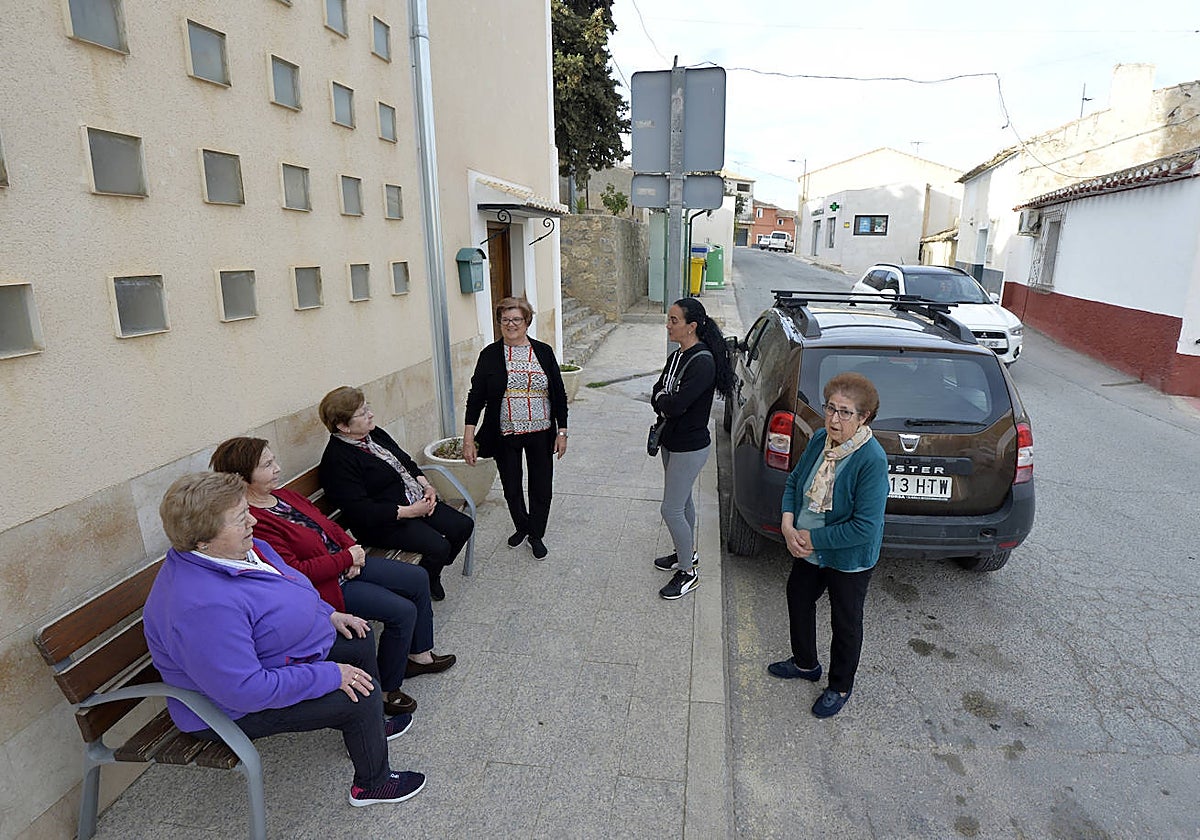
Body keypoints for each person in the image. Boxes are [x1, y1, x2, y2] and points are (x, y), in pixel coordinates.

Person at [144, 472, 425, 807]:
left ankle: (371, 728)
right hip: (228, 706)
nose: (252, 520)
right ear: (203, 541)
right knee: (358, 696)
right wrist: (330, 675)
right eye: (239, 518)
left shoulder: (245, 550)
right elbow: (245, 690)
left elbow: (292, 587)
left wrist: (329, 614)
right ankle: (372, 785)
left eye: (246, 510)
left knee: (358, 638)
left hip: (273, 656)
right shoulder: (201, 606)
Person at [210, 437, 456, 718]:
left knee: (416, 577)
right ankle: (386, 690)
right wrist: (345, 559)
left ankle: (418, 655)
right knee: (401, 611)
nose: (277, 468)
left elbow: (326, 525)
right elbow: (294, 571)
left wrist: (353, 549)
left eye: (274, 460)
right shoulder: (253, 521)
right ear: (243, 476)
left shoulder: (284, 496)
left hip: (347, 564)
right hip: (324, 588)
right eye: (267, 465)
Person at [767, 372, 888, 718]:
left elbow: (864, 527)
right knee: (799, 596)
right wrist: (788, 523)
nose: (834, 419)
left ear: (863, 417)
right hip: (807, 545)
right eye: (830, 408)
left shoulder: (871, 460)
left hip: (847, 555)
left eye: (845, 412)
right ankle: (805, 663)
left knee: (845, 621)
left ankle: (839, 686)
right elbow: (794, 483)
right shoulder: (821, 439)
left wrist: (811, 538)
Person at [318, 387, 474, 601]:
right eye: (362, 413)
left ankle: (429, 571)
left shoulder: (374, 433)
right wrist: (410, 512)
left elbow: (405, 461)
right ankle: (427, 579)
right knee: (439, 546)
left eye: (367, 408)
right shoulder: (337, 461)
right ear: (343, 426)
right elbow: (361, 511)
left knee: (463, 526)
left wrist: (426, 485)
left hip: (414, 500)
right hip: (383, 522)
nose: (370, 414)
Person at [463, 297, 569, 560]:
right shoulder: (489, 355)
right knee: (511, 487)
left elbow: (558, 392)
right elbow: (476, 397)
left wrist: (562, 431)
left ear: (527, 322)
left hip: (541, 432)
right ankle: (522, 525)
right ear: (499, 323)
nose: (511, 325)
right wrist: (468, 437)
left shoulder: (543, 351)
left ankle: (536, 534)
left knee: (541, 486)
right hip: (505, 433)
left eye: (516, 319)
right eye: (505, 320)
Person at [650, 297, 734, 601]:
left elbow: (675, 403)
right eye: (669, 319)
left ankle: (687, 573)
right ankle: (686, 553)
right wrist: (663, 400)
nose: (668, 325)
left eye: (674, 320)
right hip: (670, 441)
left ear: (692, 326)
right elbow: (657, 394)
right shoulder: (676, 357)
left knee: (670, 508)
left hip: (690, 446)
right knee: (682, 502)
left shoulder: (702, 362)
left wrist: (663, 400)